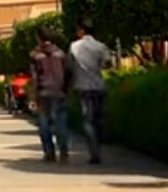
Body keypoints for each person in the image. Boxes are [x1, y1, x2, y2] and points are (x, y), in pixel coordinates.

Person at [68, 22, 111, 165]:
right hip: (98, 86)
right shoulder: (100, 46)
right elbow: (107, 64)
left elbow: (69, 67)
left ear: (81, 31)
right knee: (98, 119)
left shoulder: (74, 46)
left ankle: (94, 152)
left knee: (88, 120)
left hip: (82, 86)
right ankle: (99, 145)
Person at [31, 26, 70, 163]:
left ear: (39, 38)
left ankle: (49, 153)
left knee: (44, 124)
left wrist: (33, 96)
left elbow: (35, 77)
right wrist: (67, 90)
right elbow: (67, 73)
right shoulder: (60, 53)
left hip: (43, 92)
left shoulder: (36, 55)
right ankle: (64, 152)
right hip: (60, 92)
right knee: (61, 123)